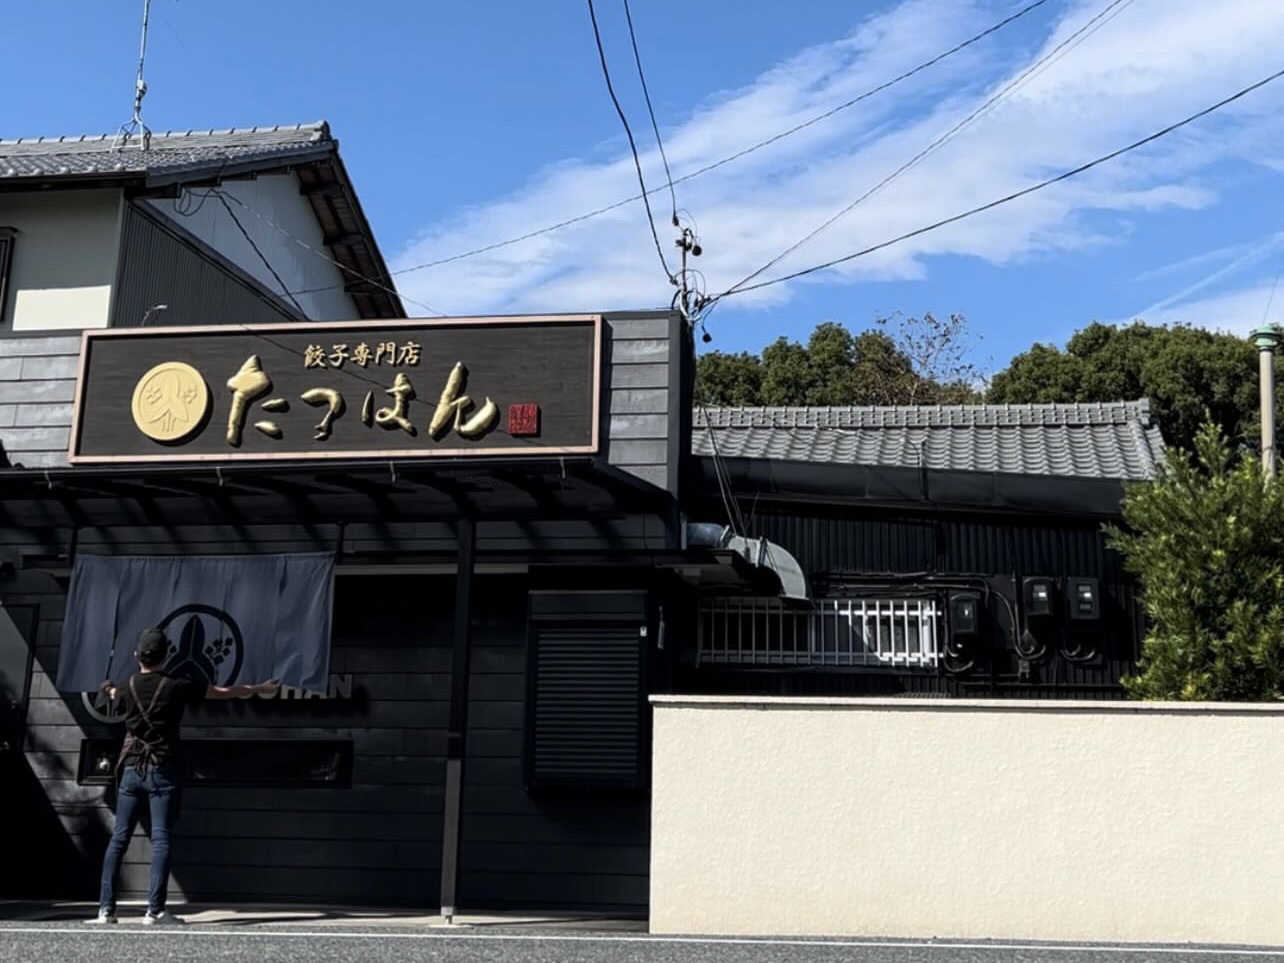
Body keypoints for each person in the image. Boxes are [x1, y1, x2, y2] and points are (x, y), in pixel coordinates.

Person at [86, 628, 279, 926]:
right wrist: (260, 688)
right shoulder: (176, 686)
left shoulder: (127, 686)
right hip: (162, 767)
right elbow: (222, 692)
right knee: (161, 839)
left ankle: (105, 910)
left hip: (130, 770)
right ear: (167, 656)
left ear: (137, 656)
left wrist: (106, 686)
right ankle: (155, 911)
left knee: (119, 839)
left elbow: (112, 693)